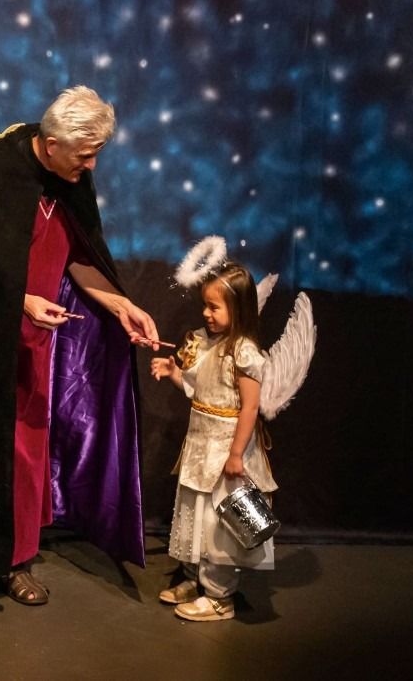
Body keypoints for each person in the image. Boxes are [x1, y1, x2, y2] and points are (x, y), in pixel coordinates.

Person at [0, 86, 160, 616]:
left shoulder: (70, 180)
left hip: (31, 343)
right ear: (51, 143)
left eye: (96, 154)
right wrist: (20, 302)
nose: (91, 166)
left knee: (26, 452)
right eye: (84, 155)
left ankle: (15, 560)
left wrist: (121, 305)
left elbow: (79, 257)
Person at [149, 261, 278, 621]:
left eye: (214, 307)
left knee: (219, 526)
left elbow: (249, 407)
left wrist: (236, 454)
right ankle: (195, 578)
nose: (206, 313)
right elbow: (199, 391)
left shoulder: (244, 352)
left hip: (225, 450)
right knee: (196, 514)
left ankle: (220, 596)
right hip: (200, 447)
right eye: (204, 305)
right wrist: (174, 372)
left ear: (239, 309)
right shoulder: (207, 344)